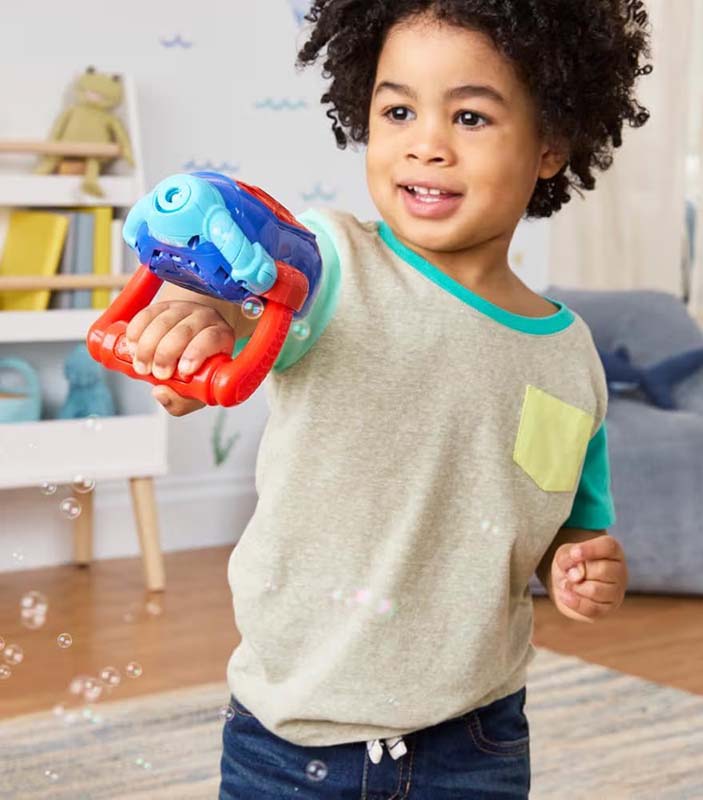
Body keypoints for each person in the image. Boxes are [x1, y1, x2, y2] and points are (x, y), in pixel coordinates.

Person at [124, 1, 650, 796]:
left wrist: (578, 562)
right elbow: (238, 298)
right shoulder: (329, 263)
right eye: (398, 111)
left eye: (469, 117)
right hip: (291, 734)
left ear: (550, 144)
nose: (426, 144)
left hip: (474, 740)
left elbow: (557, 517)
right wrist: (197, 321)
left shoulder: (568, 357)